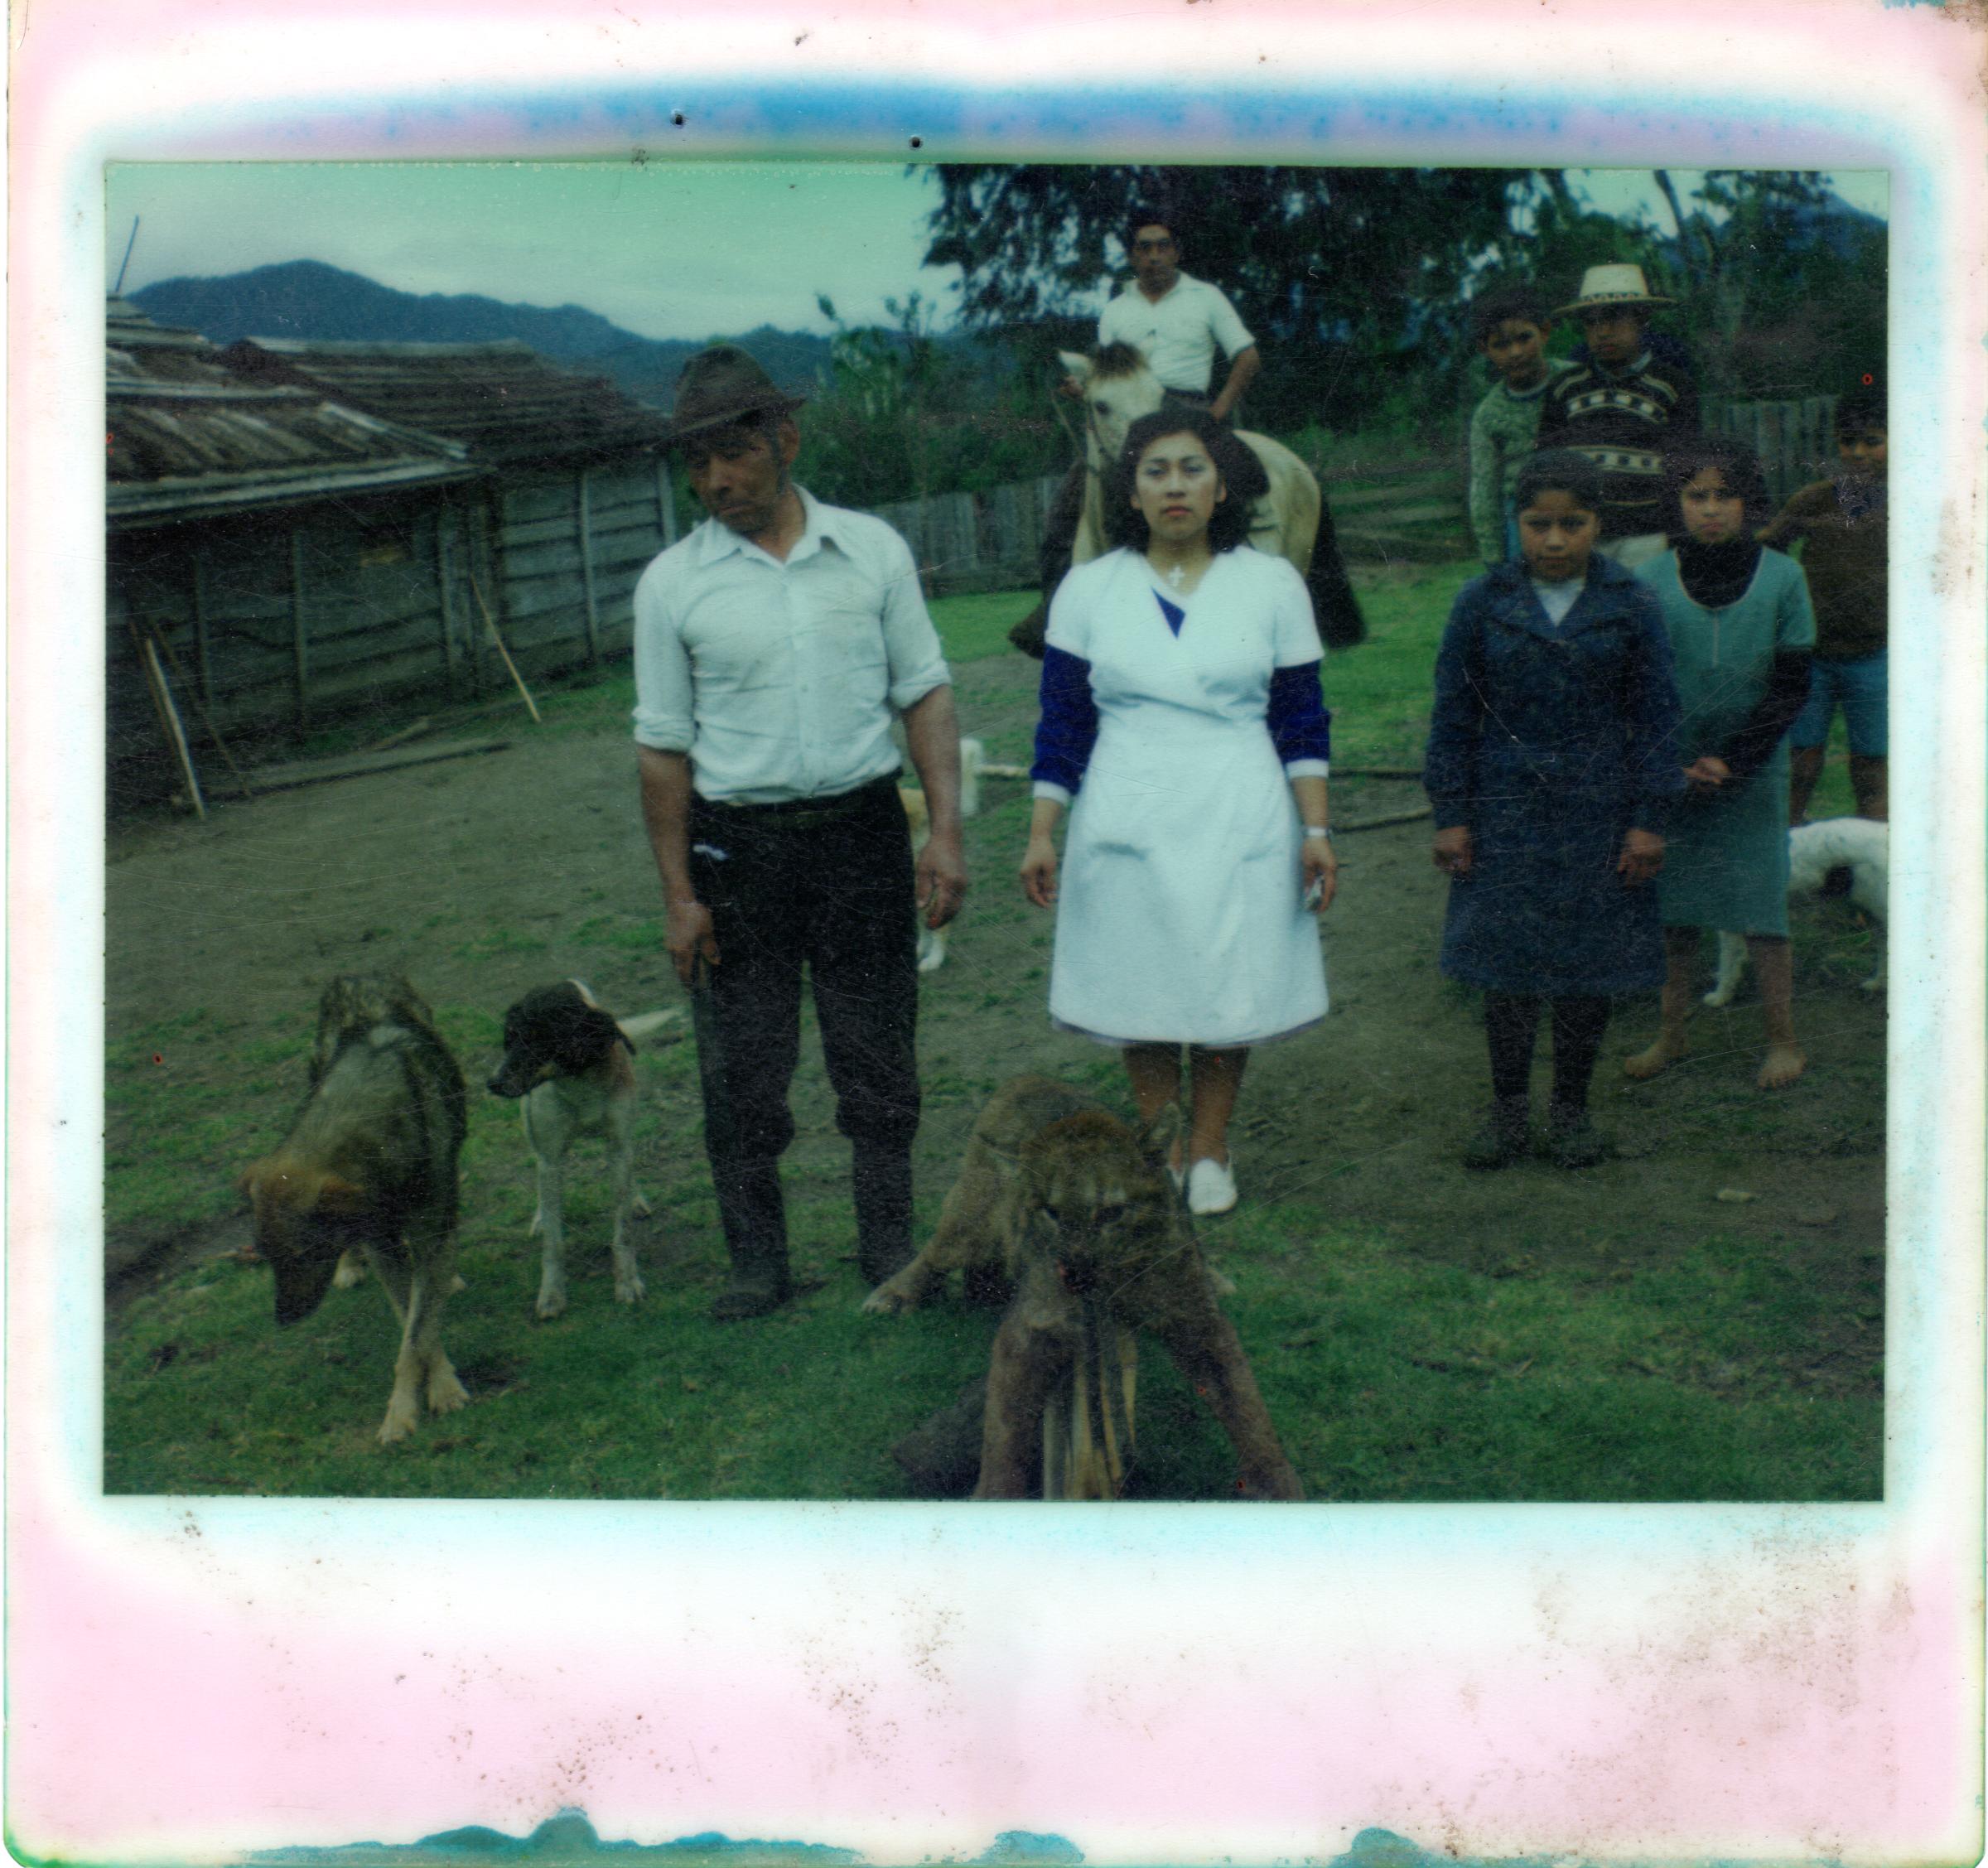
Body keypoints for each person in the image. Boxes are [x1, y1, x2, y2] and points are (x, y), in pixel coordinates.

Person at [631, 345, 969, 1320]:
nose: (715, 482)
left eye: (732, 456)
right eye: (695, 465)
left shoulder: (872, 551)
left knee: (878, 1056)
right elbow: (661, 751)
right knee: (744, 1068)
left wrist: (944, 832)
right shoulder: (672, 584)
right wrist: (681, 896)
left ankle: (888, 1244)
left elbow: (927, 693)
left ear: (786, 439)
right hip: (738, 851)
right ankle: (758, 1263)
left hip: (863, 834)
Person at [1020, 408, 1334, 1217]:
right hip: (1128, 804)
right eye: (1155, 470)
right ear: (1130, 490)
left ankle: (1211, 1149)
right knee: (1144, 981)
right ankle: (1160, 1148)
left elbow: (1301, 719)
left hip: (1238, 801)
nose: (1174, 486)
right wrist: (1043, 830)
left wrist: (1318, 829)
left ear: (1221, 482)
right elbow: (1063, 723)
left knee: (1228, 977)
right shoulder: (1091, 589)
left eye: (1191, 468)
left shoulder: (1271, 584)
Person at [1424, 450, 1684, 1169]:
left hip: (1599, 809)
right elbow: (1453, 714)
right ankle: (1506, 1113)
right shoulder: (1483, 601)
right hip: (1505, 804)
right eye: (1540, 524)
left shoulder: (1630, 601)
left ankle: (1571, 1112)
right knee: (1507, 967)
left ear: (1599, 523)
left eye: (1574, 523)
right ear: (1518, 524)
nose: (1557, 540)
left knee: (1585, 966)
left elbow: (1658, 715)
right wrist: (1452, 812)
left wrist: (1649, 819)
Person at [1624, 435, 1817, 1091]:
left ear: (1750, 501)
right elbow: (1636, 685)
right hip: (1671, 771)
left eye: (1725, 495)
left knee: (1763, 910)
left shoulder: (1784, 577)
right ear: (1676, 505)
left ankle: (1783, 1040)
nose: (1711, 509)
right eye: (1696, 496)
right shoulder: (1647, 581)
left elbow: (1791, 684)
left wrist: (1734, 760)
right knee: (1673, 910)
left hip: (1753, 770)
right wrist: (1670, 764)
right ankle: (1670, 1034)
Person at [1035, 208, 1262, 612]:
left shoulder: (1206, 298)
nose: (1154, 256)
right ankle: (1051, 617)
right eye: (1145, 248)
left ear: (1176, 253)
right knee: (1066, 512)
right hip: (1127, 416)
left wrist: (1219, 411)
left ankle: (1250, 584)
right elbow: (1103, 374)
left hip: (1190, 410)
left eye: (1163, 246)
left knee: (1240, 488)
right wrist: (1083, 387)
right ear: (1132, 256)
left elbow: (1246, 356)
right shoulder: (1116, 311)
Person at [1760, 385, 1889, 823]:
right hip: (1811, 657)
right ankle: (1789, 854)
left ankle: (1875, 860)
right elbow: (1765, 551)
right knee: (1802, 758)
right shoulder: (1815, 499)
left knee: (1872, 764)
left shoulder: (1915, 501)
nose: (1858, 453)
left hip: (1877, 657)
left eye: (1872, 441)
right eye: (1848, 442)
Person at [1536, 263, 1701, 569]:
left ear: (1642, 318)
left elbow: (1685, 470)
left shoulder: (1672, 386)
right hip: (1581, 534)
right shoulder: (1565, 389)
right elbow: (1546, 465)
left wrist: (1677, 538)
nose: (1602, 331)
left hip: (1648, 537)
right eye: (1591, 322)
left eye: (1614, 317)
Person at [1465, 282, 1572, 567]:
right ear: (1484, 349)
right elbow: (1484, 490)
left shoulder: (1575, 381)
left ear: (1545, 332)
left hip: (1579, 501)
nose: (1515, 352)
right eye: (1501, 345)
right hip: (1522, 513)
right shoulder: (1489, 414)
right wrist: (1492, 557)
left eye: (1524, 338)